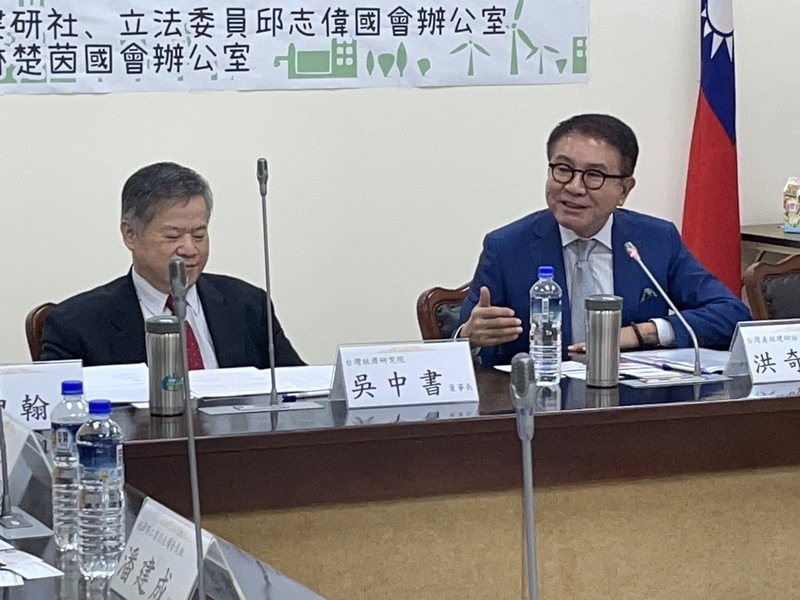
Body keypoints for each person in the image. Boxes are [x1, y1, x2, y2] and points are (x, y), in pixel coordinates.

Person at [458, 113, 751, 366]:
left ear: (624, 190)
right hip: (541, 400)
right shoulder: (507, 247)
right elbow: (460, 342)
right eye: (563, 170)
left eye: (594, 175)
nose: (574, 187)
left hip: (633, 402)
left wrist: (642, 333)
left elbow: (732, 314)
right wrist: (470, 337)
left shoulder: (656, 241)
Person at [41, 162, 304, 368]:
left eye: (199, 234)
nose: (189, 249)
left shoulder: (248, 305)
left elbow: (301, 389)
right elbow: (57, 410)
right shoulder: (77, 324)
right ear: (130, 234)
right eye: (173, 236)